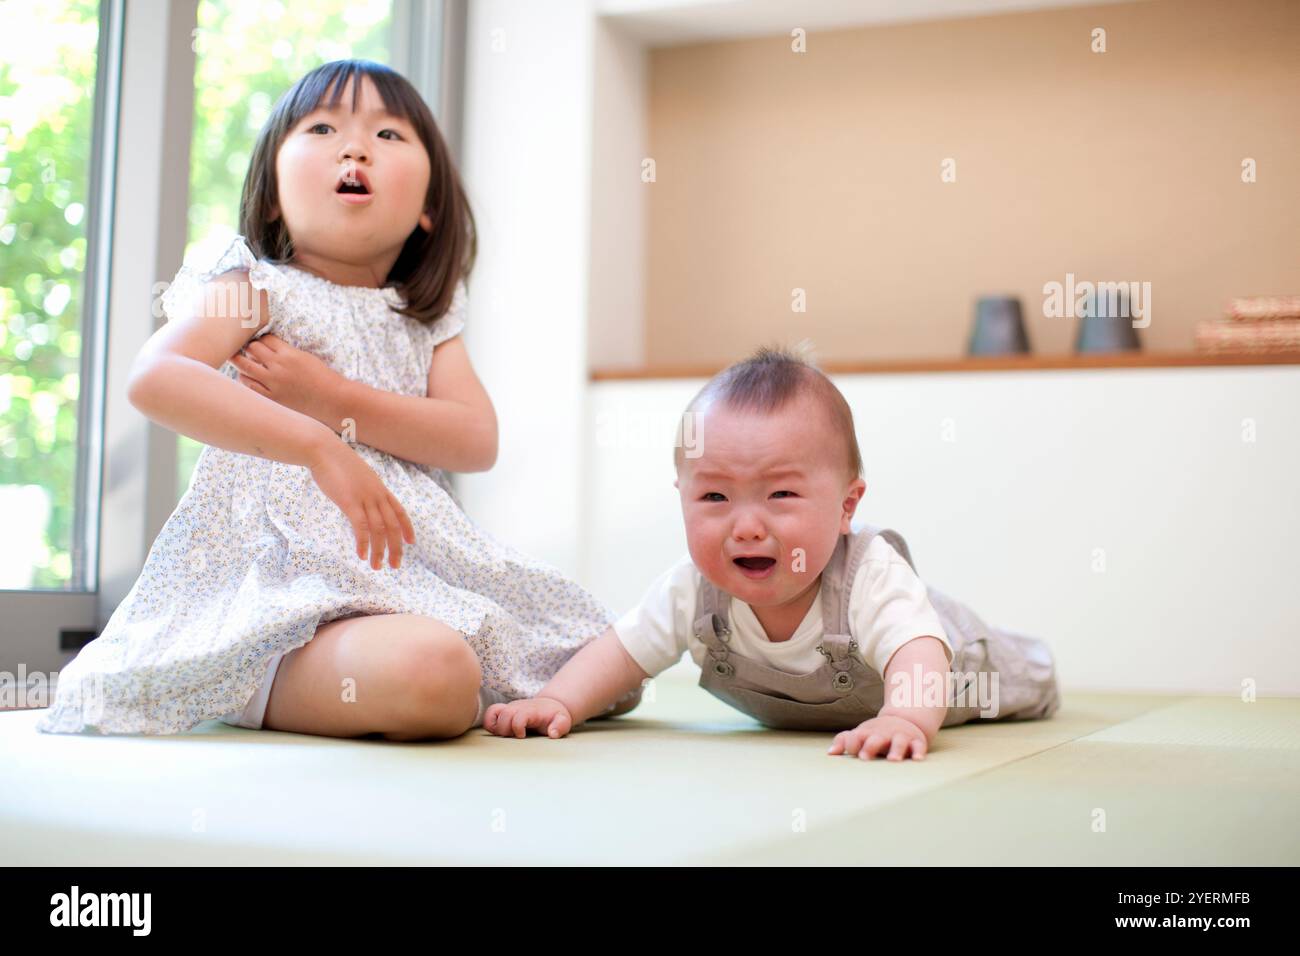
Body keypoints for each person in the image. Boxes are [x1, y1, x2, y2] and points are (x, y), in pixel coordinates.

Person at [37, 59, 637, 739]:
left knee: (605, 658)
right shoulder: (253, 283)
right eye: (322, 127)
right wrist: (317, 445)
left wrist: (329, 397)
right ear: (270, 197)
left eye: (388, 136)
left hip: (404, 575)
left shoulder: (424, 316)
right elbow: (157, 377)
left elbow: (474, 439)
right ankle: (247, 675)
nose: (354, 147)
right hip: (279, 584)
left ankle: (395, 681)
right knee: (435, 672)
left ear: (429, 212)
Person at [484, 344, 1060, 759]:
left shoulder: (869, 575)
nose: (747, 526)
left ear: (845, 506)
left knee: (1009, 677)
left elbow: (917, 651)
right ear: (681, 496)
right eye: (714, 495)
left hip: (956, 670)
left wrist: (906, 717)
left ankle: (1036, 669)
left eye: (781, 494)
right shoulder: (693, 589)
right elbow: (622, 652)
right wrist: (557, 700)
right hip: (864, 707)